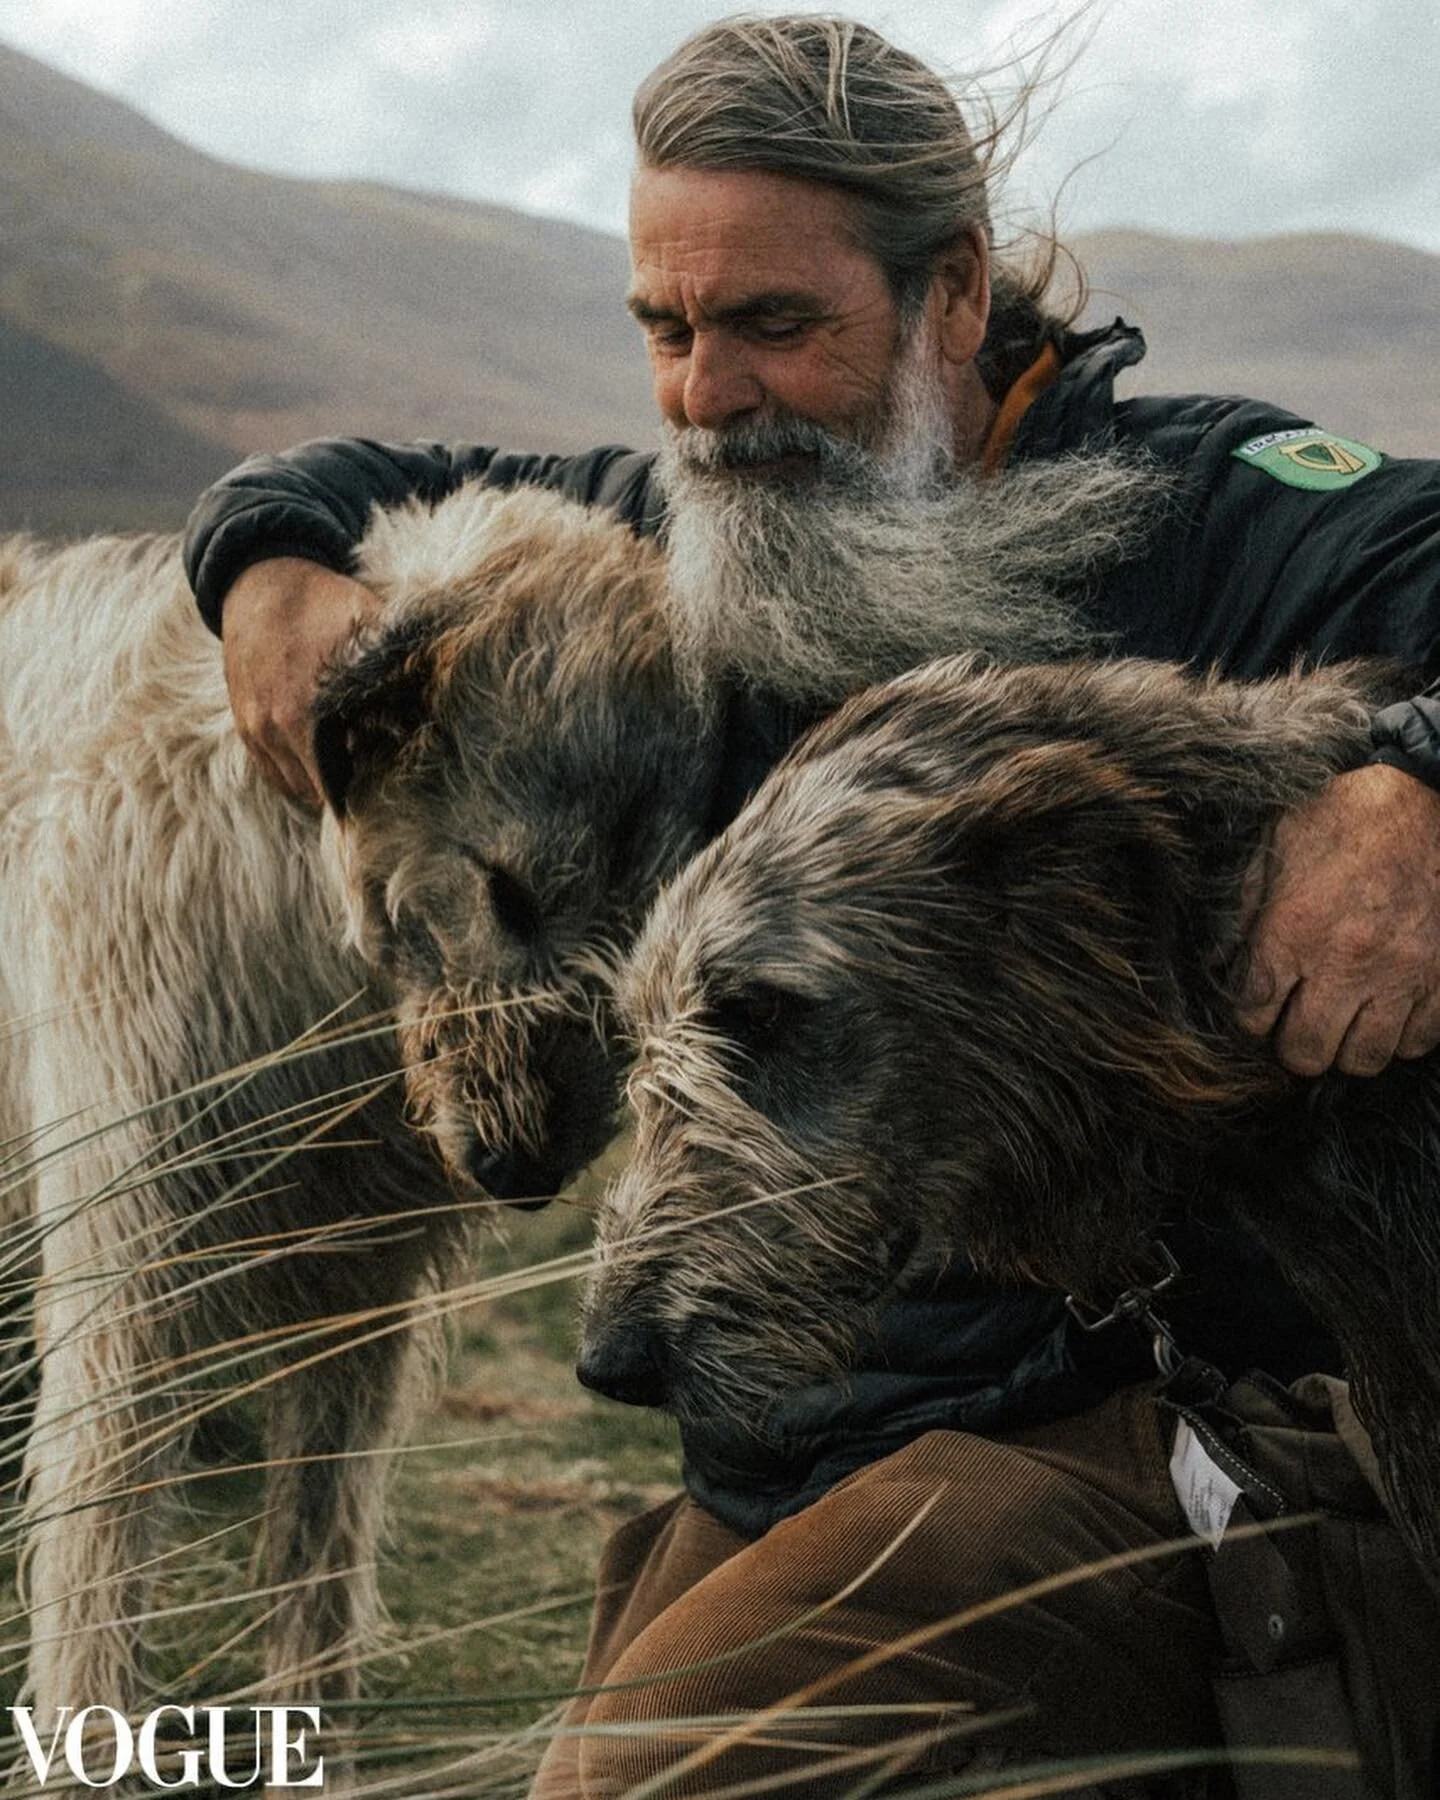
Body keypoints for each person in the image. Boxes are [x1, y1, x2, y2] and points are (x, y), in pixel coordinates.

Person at [184, 18, 1440, 1795]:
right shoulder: (696, 528)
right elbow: (339, 481)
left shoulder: (1221, 516)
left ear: (953, 296)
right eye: (666, 330)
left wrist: (1414, 782)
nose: (708, 397)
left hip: (1180, 1414)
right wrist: (264, 564)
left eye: (779, 327)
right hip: (801, 1433)